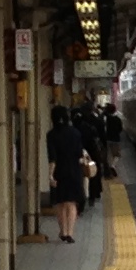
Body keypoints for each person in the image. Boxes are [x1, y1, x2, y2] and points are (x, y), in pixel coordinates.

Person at [45, 103, 87, 242]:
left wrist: (50, 175)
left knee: (60, 203)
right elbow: (80, 154)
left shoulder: (51, 135)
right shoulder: (75, 133)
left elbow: (52, 158)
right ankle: (70, 232)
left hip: (59, 172)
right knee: (71, 203)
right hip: (74, 170)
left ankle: (62, 231)